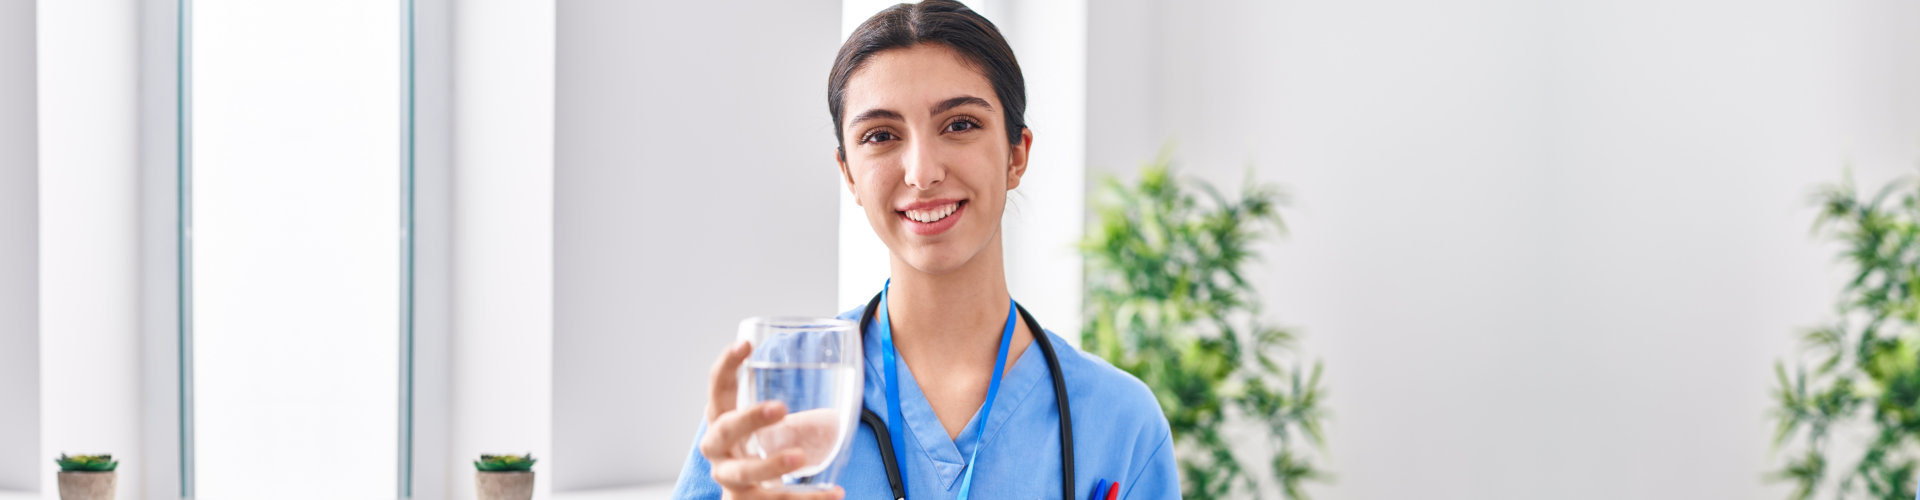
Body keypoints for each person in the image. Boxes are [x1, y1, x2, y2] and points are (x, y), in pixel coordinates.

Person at [671, 1, 1177, 498]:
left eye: (959, 124)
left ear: (1016, 155)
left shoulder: (1119, 421)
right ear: (848, 173)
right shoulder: (778, 391)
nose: (922, 171)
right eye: (881, 135)